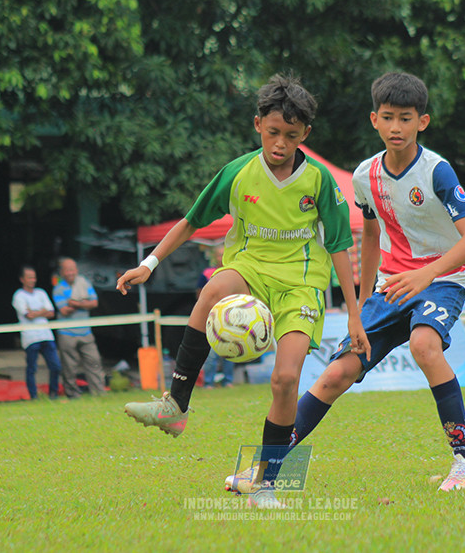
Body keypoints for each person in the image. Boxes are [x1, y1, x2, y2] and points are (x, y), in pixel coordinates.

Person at [117, 73, 363, 509]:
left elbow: (342, 246)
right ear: (257, 126)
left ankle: (266, 485)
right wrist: (148, 264)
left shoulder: (320, 181)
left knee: (285, 380)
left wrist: (355, 314)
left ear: (305, 134)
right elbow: (191, 221)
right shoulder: (238, 173)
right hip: (249, 269)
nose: (280, 143)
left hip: (301, 287)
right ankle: (176, 405)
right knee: (213, 289)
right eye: (272, 133)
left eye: (291, 135)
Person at [269, 71, 465, 495]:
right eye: (388, 117)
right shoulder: (364, 176)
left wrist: (426, 273)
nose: (396, 128)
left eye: (406, 118)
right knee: (337, 373)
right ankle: (270, 465)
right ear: (374, 119)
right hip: (391, 286)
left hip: (443, 279)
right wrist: (361, 304)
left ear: (422, 122)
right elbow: (369, 238)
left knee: (425, 346)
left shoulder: (437, 171)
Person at [52, 257, 107, 398]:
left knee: (94, 361)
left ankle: (99, 392)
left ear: (76, 270)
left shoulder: (84, 282)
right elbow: (64, 310)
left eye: (72, 269)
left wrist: (75, 303)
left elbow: (94, 303)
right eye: (67, 270)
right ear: (62, 272)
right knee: (69, 366)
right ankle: (72, 394)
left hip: (85, 332)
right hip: (67, 333)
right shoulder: (58, 288)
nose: (71, 272)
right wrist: (83, 302)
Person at [12, 265, 61, 400]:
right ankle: (33, 396)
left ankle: (53, 394)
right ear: (22, 279)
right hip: (30, 337)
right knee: (32, 368)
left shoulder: (41, 293)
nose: (33, 280)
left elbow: (51, 312)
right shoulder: (18, 296)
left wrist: (36, 312)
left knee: (56, 366)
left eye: (34, 277)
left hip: (46, 335)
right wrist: (42, 311)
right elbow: (28, 315)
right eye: (29, 277)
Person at [198, 246, 234, 389]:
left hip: (230, 317)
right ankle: (208, 382)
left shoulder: (233, 273)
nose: (221, 257)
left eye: (224, 255)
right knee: (211, 353)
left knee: (230, 350)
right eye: (219, 255)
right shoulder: (207, 274)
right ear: (215, 257)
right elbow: (199, 292)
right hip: (212, 317)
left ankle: (228, 380)